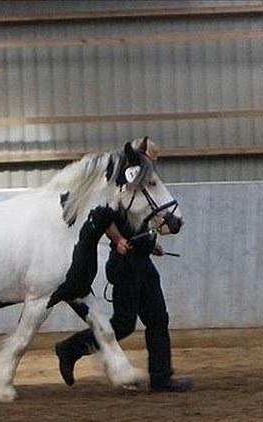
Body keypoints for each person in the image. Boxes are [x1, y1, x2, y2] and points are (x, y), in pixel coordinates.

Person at [55, 144, 193, 393]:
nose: (154, 160)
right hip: (125, 264)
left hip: (142, 261)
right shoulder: (119, 189)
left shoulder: (141, 190)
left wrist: (151, 246)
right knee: (123, 324)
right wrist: (118, 240)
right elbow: (107, 219)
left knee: (158, 319)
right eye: (151, 155)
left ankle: (161, 378)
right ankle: (70, 348)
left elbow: (142, 225)